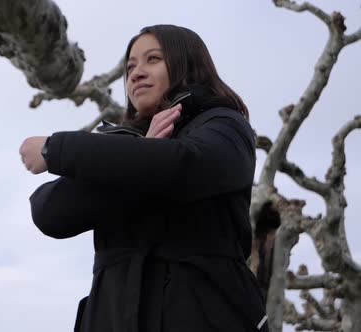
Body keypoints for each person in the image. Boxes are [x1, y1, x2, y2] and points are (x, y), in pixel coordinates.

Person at [19, 24, 269, 332]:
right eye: (130, 66)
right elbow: (49, 212)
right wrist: (141, 152)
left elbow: (185, 166)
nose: (136, 73)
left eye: (153, 59)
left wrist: (55, 147)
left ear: (187, 63)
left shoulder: (225, 126)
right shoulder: (122, 145)